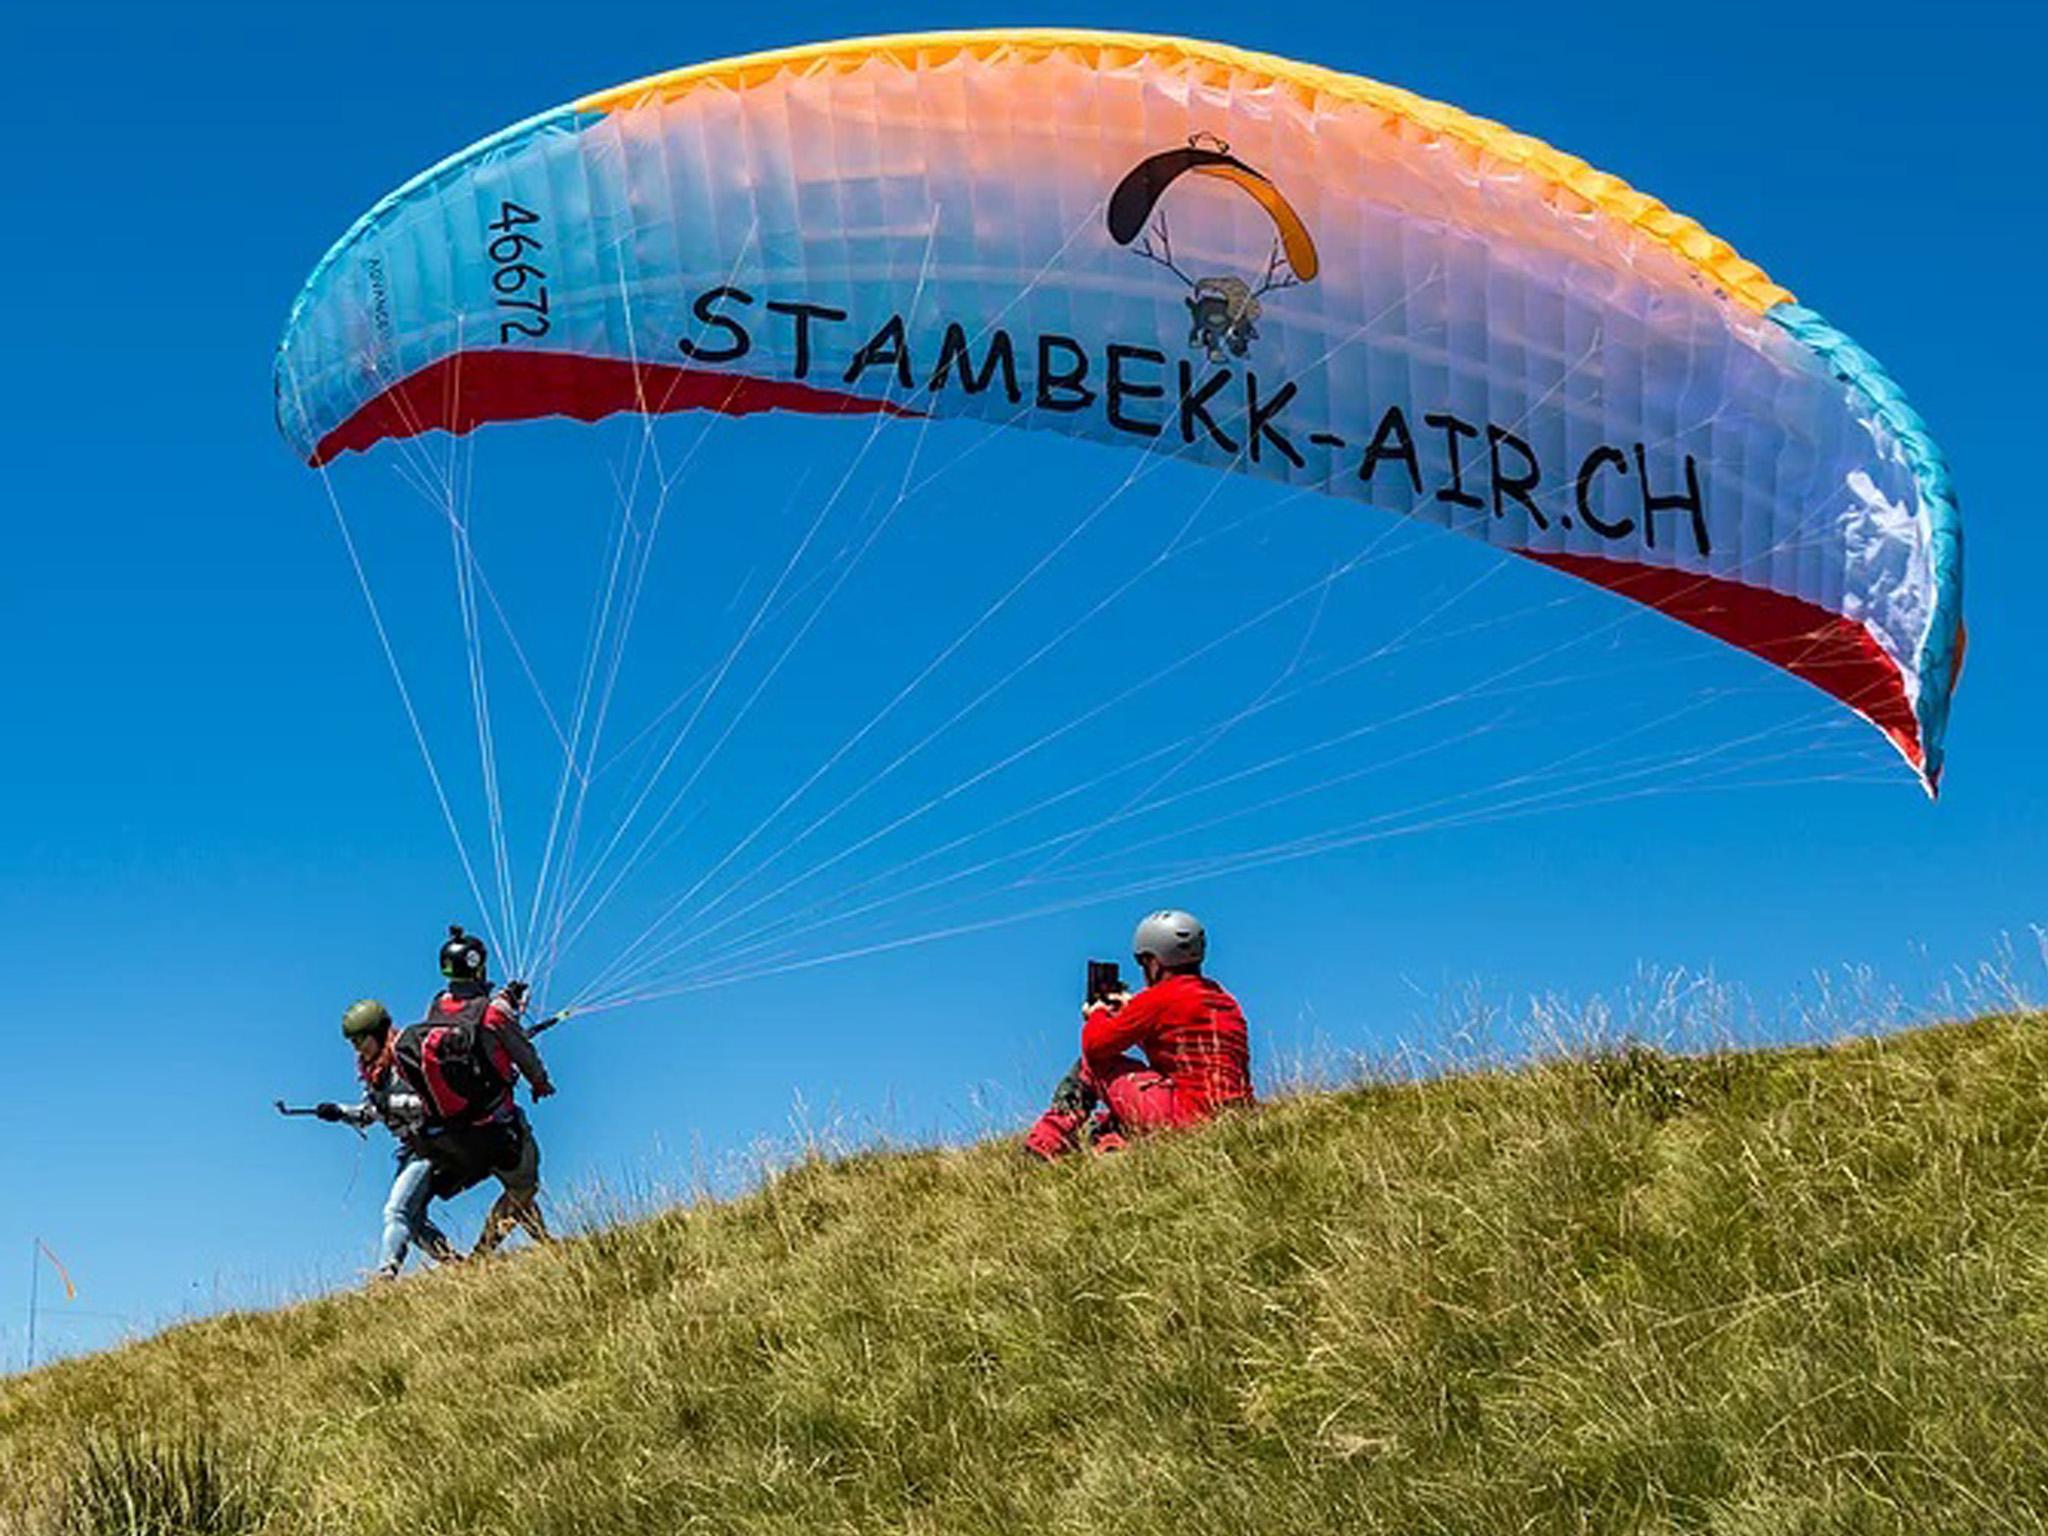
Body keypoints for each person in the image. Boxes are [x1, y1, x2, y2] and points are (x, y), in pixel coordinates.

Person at [1024, 909, 1253, 1162]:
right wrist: (1130, 1009)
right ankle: (1113, 1147)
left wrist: (1097, 1015)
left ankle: (1042, 1147)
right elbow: (1175, 1045)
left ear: (1155, 961)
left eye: (1144, 961)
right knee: (1124, 1108)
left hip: (1186, 1117)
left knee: (1092, 1064)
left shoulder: (1159, 998)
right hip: (1233, 1115)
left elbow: (1095, 1046)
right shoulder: (1222, 999)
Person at [399, 925, 557, 1257]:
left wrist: (505, 1001)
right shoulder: (495, 1013)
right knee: (524, 1184)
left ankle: (547, 1245)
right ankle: (482, 1255)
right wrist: (540, 1083)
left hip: (453, 1131)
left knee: (515, 1186)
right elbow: (523, 1054)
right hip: (496, 1124)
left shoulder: (438, 1005)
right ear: (479, 965)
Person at [312, 998, 462, 1281]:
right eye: (352, 1042)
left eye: (360, 1039)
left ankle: (385, 1273)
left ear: (378, 1034)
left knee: (396, 1211)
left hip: (432, 1143)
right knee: (414, 1222)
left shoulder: (405, 1059)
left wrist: (389, 1106)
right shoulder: (373, 1071)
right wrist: (339, 1112)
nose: (356, 1047)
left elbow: (427, 1102)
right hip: (414, 1146)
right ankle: (459, 1266)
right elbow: (371, 1112)